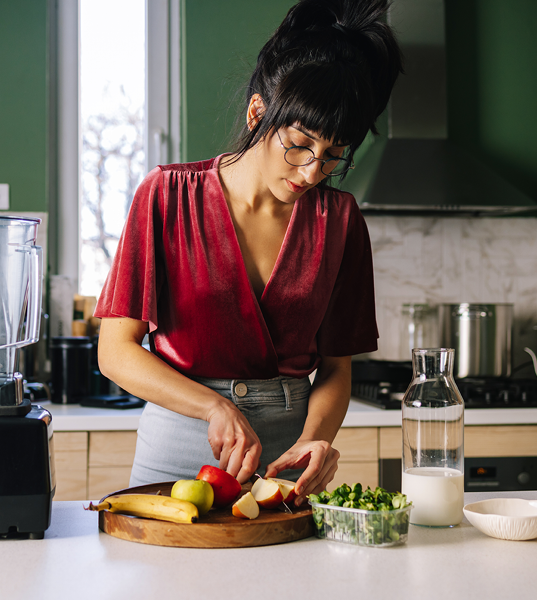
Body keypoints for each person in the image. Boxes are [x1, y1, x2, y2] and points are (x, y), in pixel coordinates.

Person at [94, 0, 402, 505]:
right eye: (299, 144)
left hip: (287, 458)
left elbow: (336, 368)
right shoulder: (167, 195)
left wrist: (315, 440)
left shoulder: (340, 221)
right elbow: (115, 351)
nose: (310, 172)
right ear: (258, 112)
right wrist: (213, 406)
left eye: (332, 156)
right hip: (176, 447)